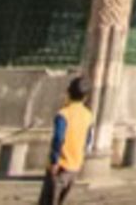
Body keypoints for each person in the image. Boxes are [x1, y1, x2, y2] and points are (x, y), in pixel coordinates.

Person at [40, 77, 94, 205]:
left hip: (60, 166)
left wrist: (54, 160)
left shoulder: (63, 114)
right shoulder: (88, 115)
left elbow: (58, 138)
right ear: (85, 97)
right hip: (74, 166)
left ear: (68, 93)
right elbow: (88, 139)